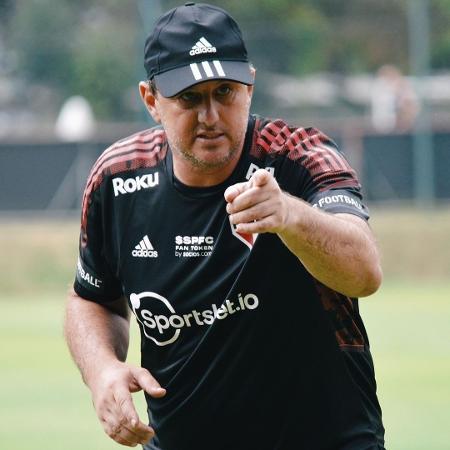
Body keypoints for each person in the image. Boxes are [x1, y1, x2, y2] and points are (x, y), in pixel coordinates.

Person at [64, 3, 385, 449]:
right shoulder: (117, 178)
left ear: (250, 86)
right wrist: (102, 370)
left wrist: (290, 217)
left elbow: (364, 271)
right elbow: (91, 298)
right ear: (151, 101)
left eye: (224, 92)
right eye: (190, 97)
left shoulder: (300, 157)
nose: (210, 115)